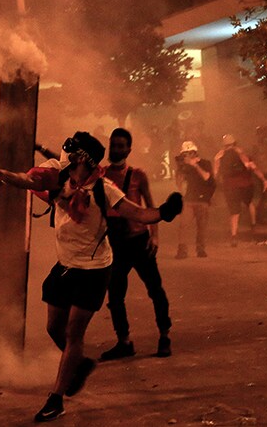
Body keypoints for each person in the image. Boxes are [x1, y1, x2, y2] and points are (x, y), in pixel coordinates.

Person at [0, 131, 183, 422]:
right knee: (53, 328)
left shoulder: (105, 190)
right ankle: (79, 365)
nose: (65, 153)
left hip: (93, 270)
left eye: (71, 150)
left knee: (73, 333)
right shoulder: (59, 176)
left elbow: (139, 214)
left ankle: (56, 399)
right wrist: (3, 175)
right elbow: (29, 181)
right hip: (65, 265)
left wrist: (165, 212)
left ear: (82, 158)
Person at [100, 128, 172, 361]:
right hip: (115, 243)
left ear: (129, 149)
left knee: (155, 290)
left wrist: (155, 236)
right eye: (114, 145)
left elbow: (151, 207)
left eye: (121, 145)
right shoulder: (101, 175)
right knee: (115, 295)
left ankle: (164, 336)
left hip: (139, 240)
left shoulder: (138, 175)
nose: (116, 149)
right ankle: (124, 341)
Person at [214, 134, 267, 246]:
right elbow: (252, 167)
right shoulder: (241, 153)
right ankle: (253, 225)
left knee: (234, 212)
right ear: (235, 143)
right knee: (249, 203)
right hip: (245, 184)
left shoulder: (220, 156)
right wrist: (264, 180)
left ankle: (234, 236)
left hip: (230, 187)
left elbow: (216, 173)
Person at [175, 141, 215, 258]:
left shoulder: (205, 163)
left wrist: (195, 165)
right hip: (188, 199)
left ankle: (200, 249)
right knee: (183, 225)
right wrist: (180, 170)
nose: (185, 157)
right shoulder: (184, 166)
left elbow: (206, 177)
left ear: (193, 153)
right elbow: (179, 184)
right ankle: (182, 251)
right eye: (183, 154)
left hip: (202, 200)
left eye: (186, 154)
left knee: (201, 226)